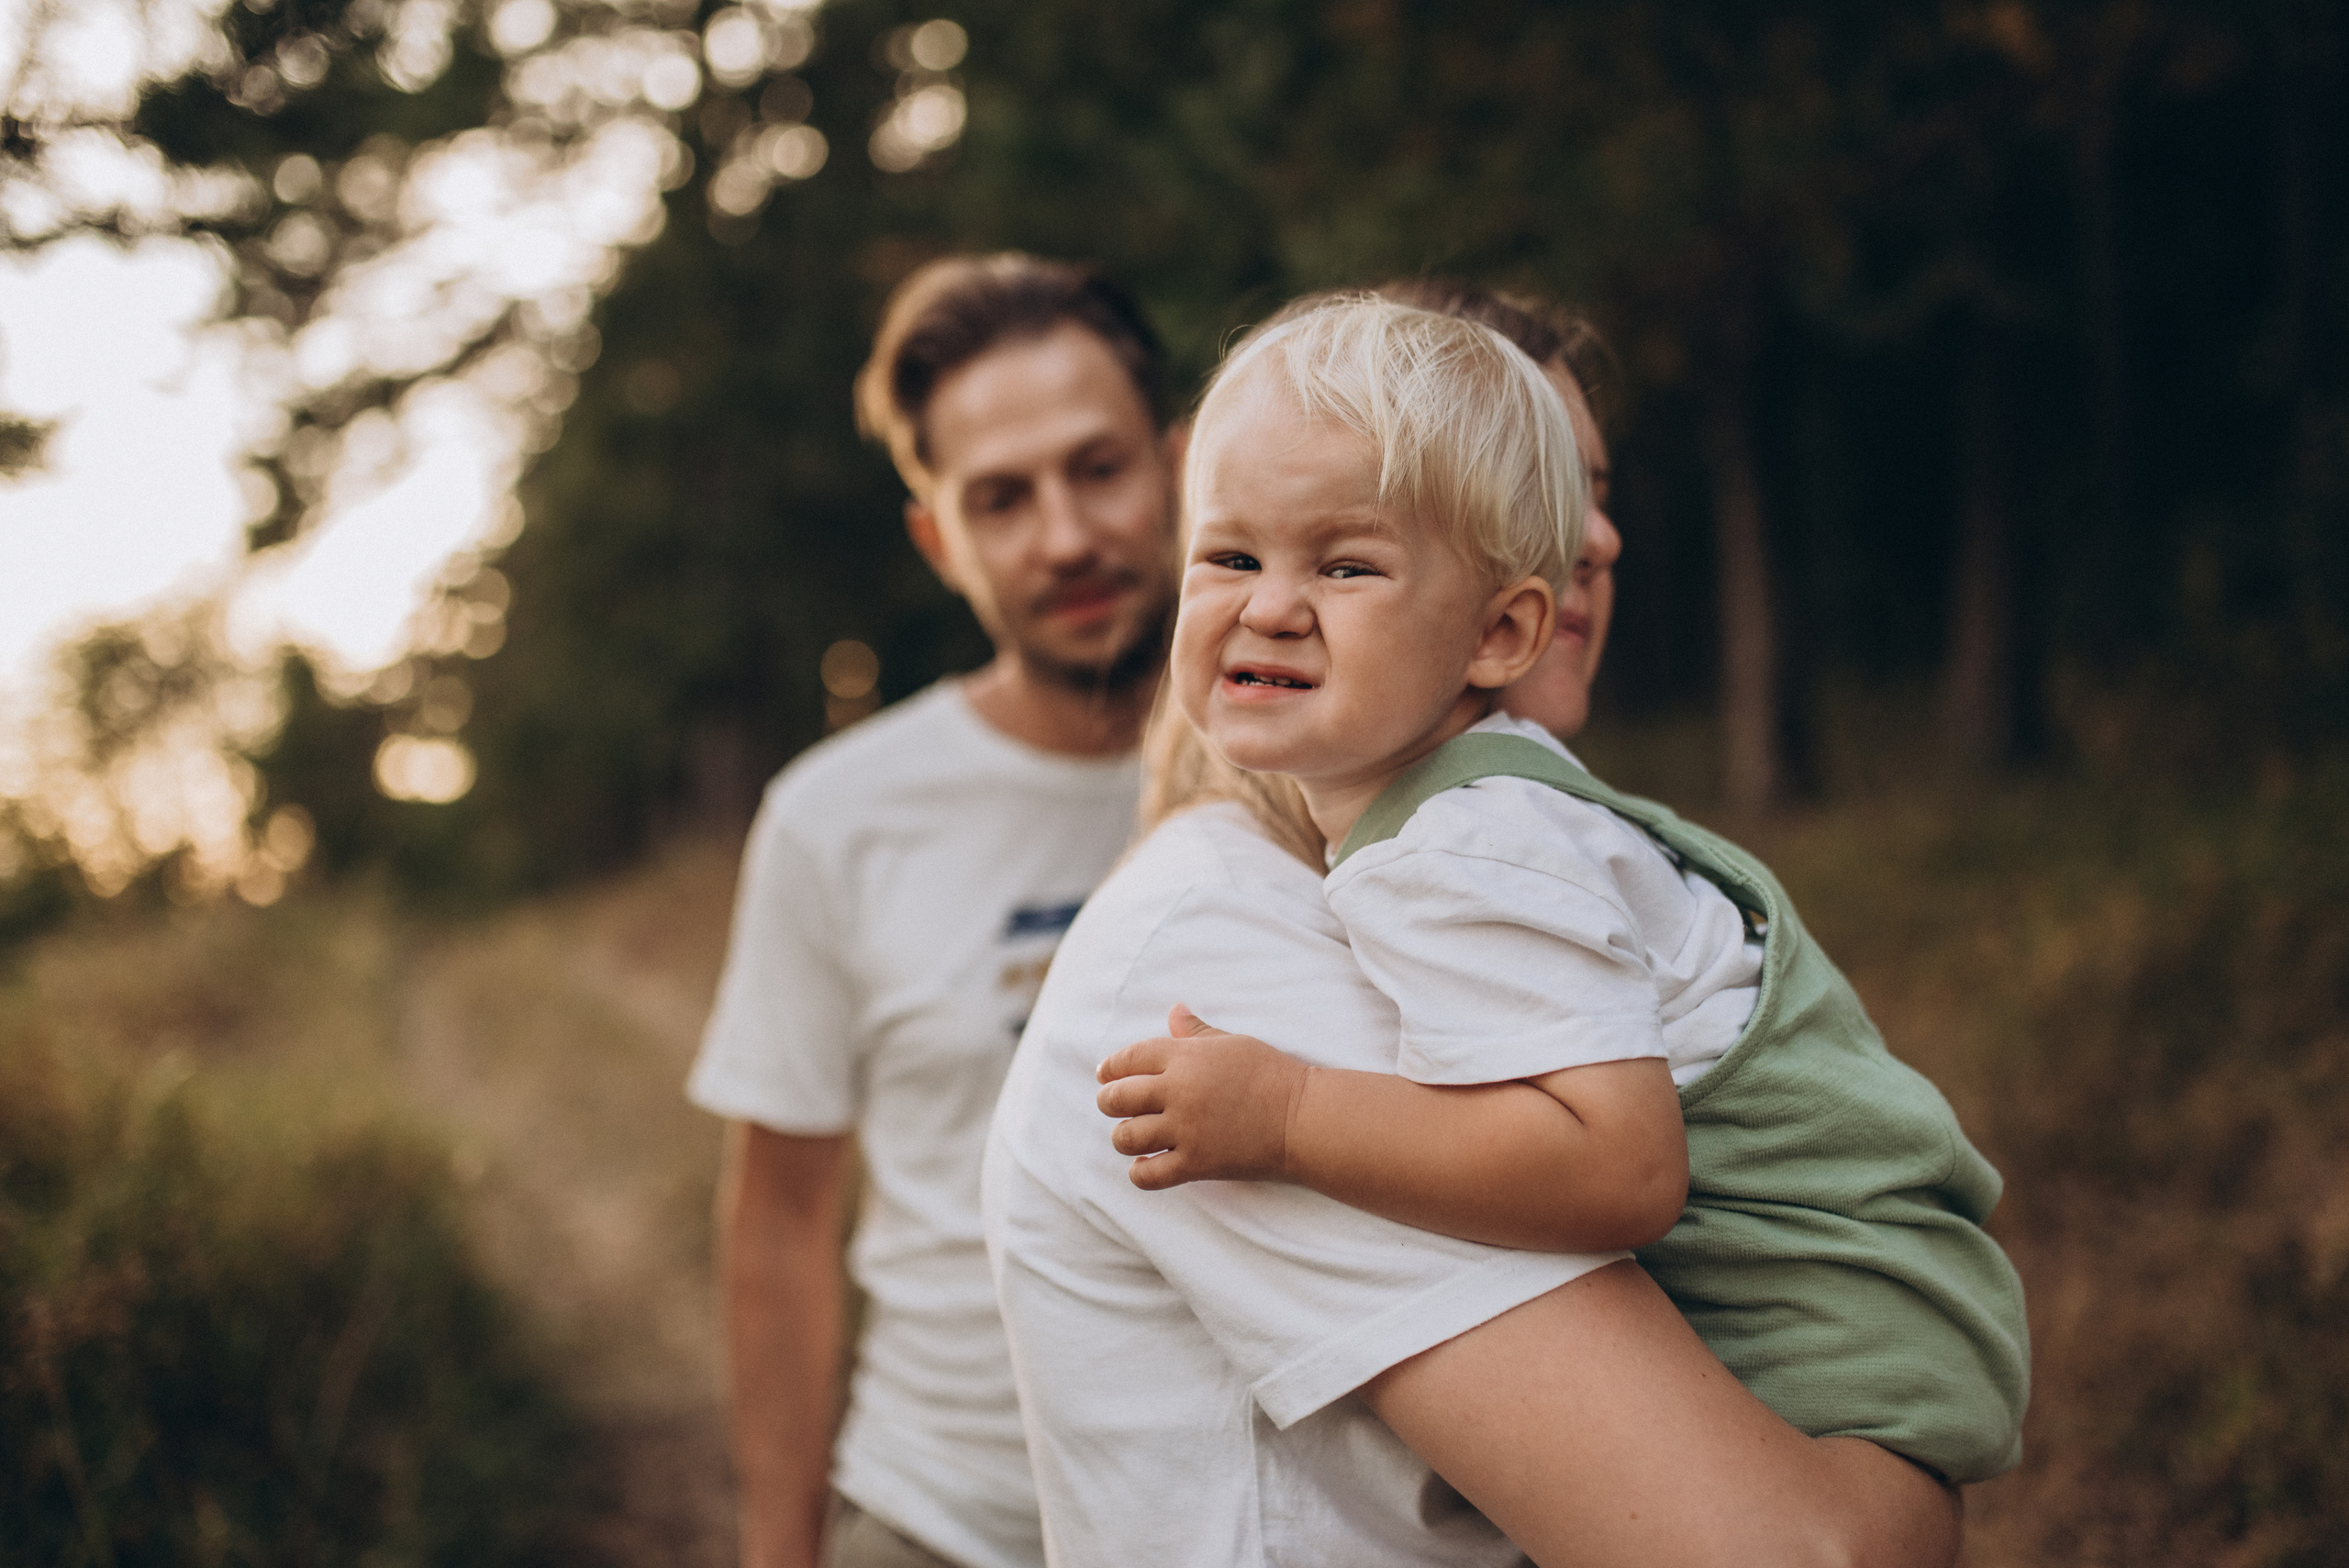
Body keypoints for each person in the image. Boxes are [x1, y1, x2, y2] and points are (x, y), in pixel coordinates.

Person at [985, 292, 2020, 1566]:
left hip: (1859, 1335)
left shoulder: (1486, 843)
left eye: (1592, 486)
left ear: (1500, 623)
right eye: (1233, 553)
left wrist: (1296, 1115)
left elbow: (1619, 1166)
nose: (1599, 537)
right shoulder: (1235, 928)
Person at [688, 253, 1184, 1568]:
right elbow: (783, 1219)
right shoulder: (836, 817)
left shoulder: (1327, 767)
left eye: (1099, 467)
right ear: (938, 538)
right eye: (1001, 499)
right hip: (947, 1518)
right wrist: (779, 1548)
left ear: (1180, 462)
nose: (1067, 537)